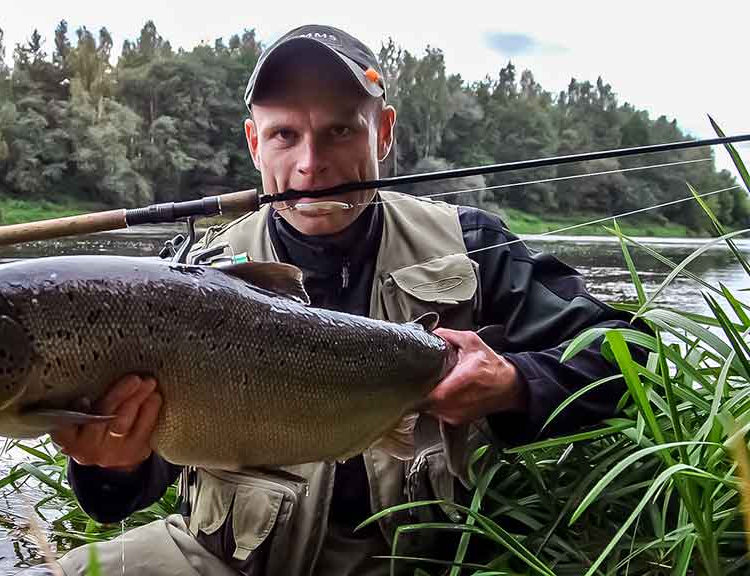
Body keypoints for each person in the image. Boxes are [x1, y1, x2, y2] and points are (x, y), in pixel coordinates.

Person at [47, 24, 638, 576]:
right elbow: (118, 497)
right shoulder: (189, 277)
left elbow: (628, 351)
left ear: (383, 132)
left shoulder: (471, 244)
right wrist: (114, 462)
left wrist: (513, 383)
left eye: (340, 131)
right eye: (285, 135)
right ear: (254, 143)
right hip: (231, 562)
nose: (311, 164)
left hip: (426, 565)